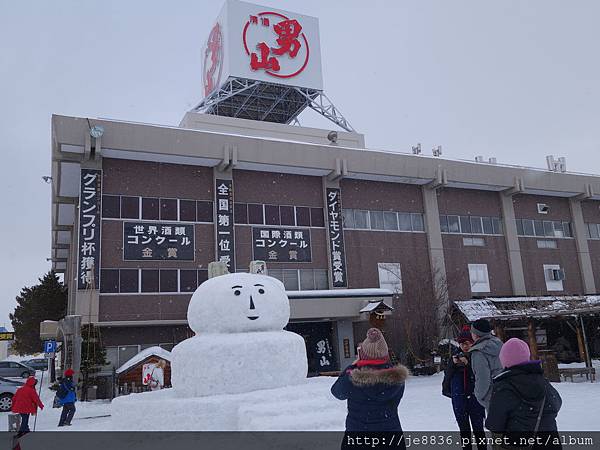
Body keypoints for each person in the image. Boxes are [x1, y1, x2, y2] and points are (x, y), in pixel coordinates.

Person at [331, 328, 408, 449]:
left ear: (363, 356)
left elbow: (337, 392)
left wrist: (352, 367)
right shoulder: (397, 378)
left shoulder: (352, 378)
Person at [486, 338, 562, 449]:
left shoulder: (503, 387)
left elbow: (494, 424)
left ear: (504, 360)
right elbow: (556, 403)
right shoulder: (541, 381)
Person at [442, 326, 487, 450]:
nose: (464, 346)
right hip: (459, 400)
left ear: (472, 343)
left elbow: (481, 376)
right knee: (464, 431)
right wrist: (452, 364)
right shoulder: (455, 356)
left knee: (479, 430)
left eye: (467, 343)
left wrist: (468, 365)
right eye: (461, 344)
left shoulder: (477, 356)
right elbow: (447, 379)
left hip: (475, 399)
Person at [469, 319, 503, 411]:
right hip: (506, 391)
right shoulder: (499, 344)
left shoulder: (479, 352)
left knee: (494, 424)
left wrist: (479, 395)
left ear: (476, 334)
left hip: (491, 395)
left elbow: (482, 377)